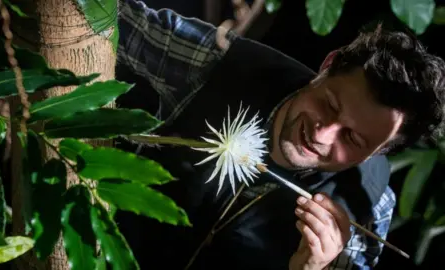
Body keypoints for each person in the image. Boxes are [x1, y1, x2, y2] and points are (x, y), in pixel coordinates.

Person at [114, 1, 445, 269]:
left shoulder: (367, 209)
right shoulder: (220, 63)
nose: (323, 134)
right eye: (329, 105)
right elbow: (96, 14)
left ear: (378, 152)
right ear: (328, 64)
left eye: (352, 139)